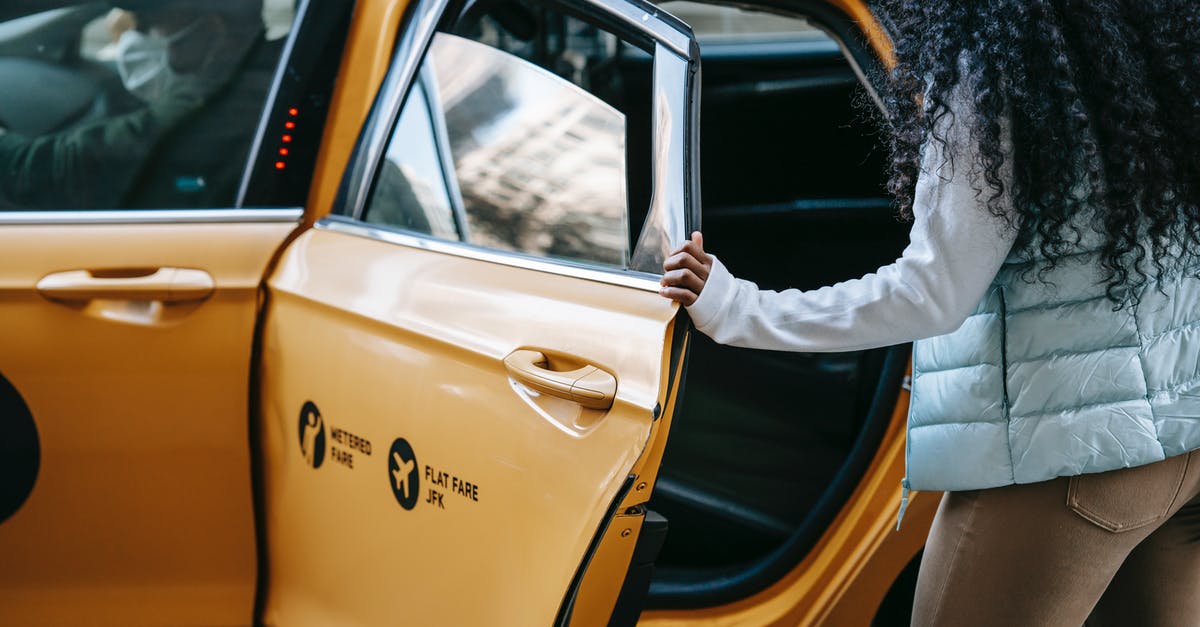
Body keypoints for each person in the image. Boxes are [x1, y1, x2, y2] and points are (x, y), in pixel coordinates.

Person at [659, 1, 1200, 625]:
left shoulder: (997, 62)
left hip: (1067, 460)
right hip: (1179, 443)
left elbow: (930, 293)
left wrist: (739, 307)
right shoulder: (1155, 37)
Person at [0, 1, 263, 210]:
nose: (132, 39)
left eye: (148, 25)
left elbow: (67, 168)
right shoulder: (257, 74)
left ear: (213, 30)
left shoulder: (211, 106)